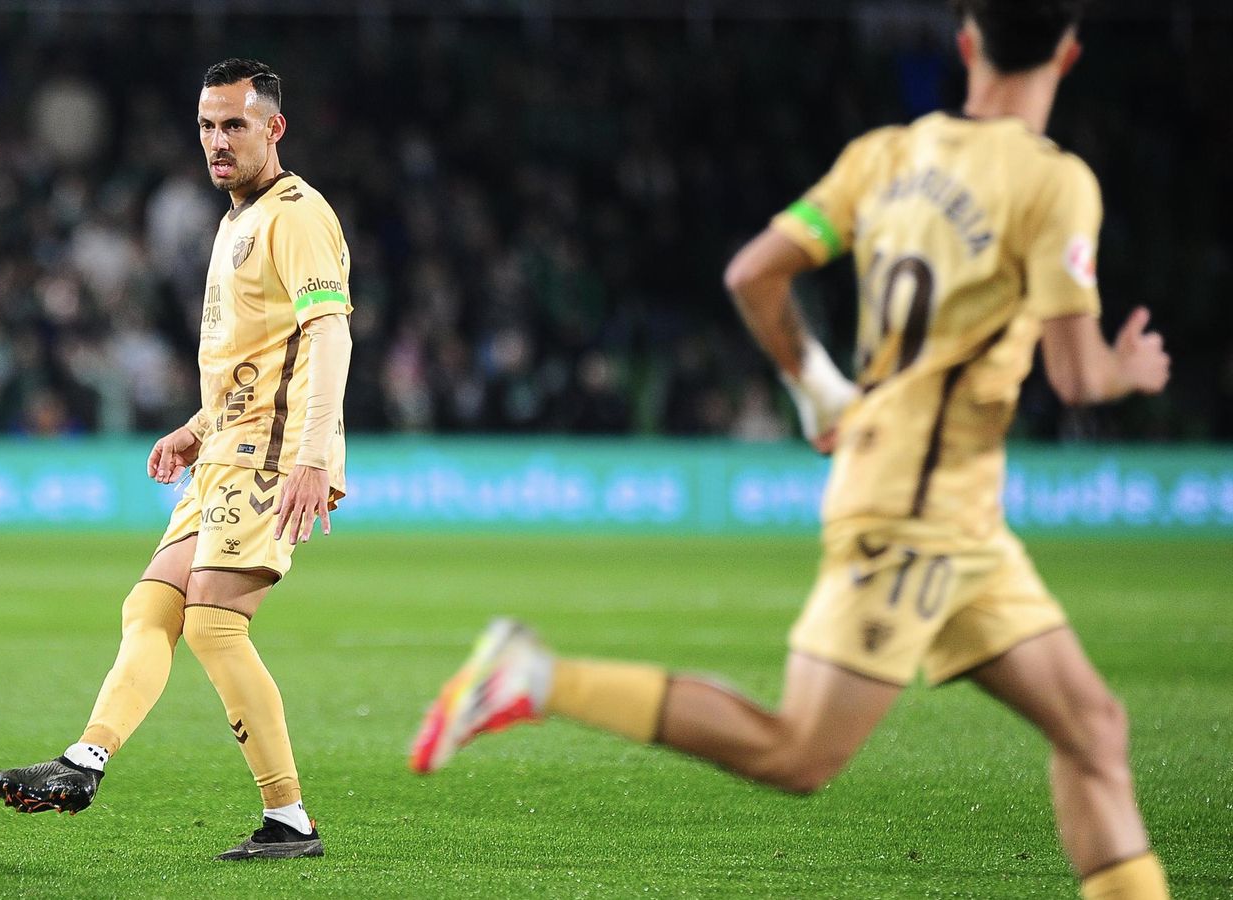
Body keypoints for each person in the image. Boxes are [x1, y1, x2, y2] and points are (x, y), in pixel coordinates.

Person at [409, 2, 1172, 897]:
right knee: (798, 750)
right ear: (1070, 53)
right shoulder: (1054, 182)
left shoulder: (886, 156)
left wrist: (820, 391)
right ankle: (538, 677)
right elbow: (1077, 377)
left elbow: (753, 273)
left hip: (957, 508)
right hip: (916, 510)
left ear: (965, 44)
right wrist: (1129, 368)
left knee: (1094, 730)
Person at [0, 58, 353, 861]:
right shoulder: (233, 221)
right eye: (206, 126)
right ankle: (85, 760)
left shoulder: (297, 215)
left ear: (273, 128)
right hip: (223, 450)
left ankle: (289, 819)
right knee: (150, 607)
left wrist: (312, 455)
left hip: (270, 455)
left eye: (234, 125)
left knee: (216, 624)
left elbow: (328, 333)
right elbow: (256, 351)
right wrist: (195, 426)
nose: (217, 142)